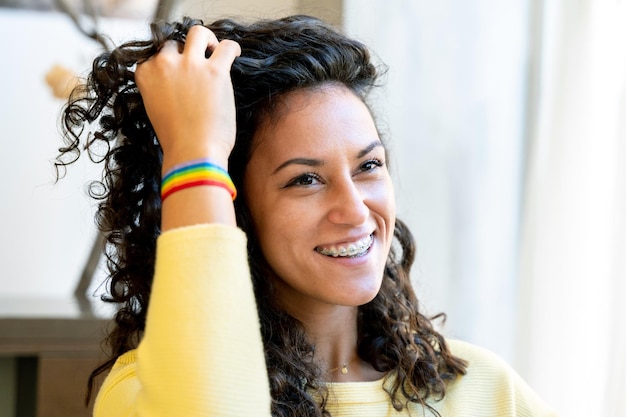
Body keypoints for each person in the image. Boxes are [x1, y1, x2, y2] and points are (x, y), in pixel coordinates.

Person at [56, 14, 557, 417]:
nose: (355, 209)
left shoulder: (487, 393)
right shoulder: (144, 395)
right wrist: (194, 152)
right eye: (305, 179)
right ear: (234, 207)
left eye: (368, 166)